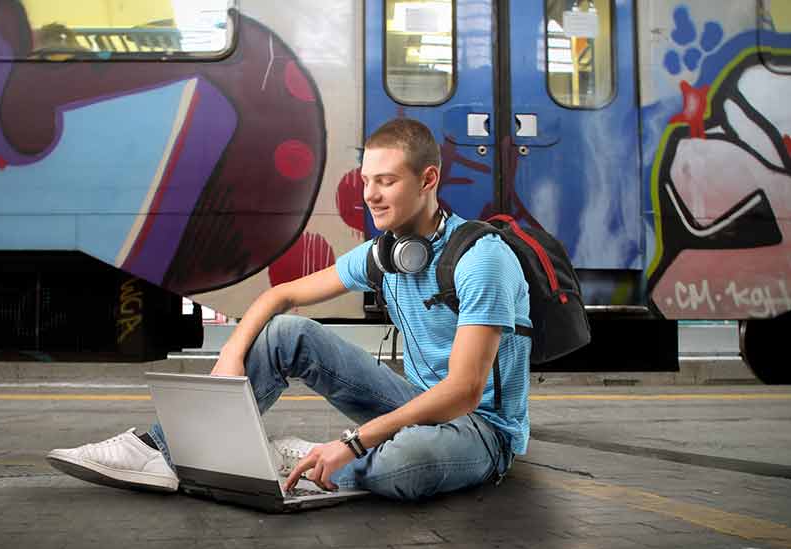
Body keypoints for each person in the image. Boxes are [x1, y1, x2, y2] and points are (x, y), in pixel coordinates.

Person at [47, 118, 532, 501]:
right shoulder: (384, 254)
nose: (370, 196)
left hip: (481, 430)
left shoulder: (480, 259)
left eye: (386, 181)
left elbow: (465, 393)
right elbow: (280, 297)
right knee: (285, 332)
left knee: (399, 468)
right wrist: (233, 356)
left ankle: (301, 459)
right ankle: (159, 448)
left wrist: (355, 441)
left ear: (429, 179)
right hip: (413, 405)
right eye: (366, 180)